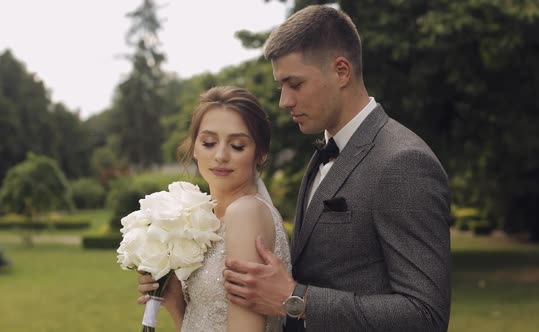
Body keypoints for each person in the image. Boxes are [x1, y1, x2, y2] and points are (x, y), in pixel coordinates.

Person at [223, 5, 451, 332]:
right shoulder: (324, 152)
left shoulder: (403, 162)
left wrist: (296, 298)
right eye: (280, 87)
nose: (284, 101)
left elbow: (426, 315)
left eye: (295, 84)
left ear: (341, 71)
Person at [136, 86, 291, 332]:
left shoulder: (246, 214)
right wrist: (175, 302)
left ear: (260, 154)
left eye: (237, 146)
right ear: (195, 148)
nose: (220, 155)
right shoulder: (205, 220)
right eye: (209, 143)